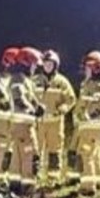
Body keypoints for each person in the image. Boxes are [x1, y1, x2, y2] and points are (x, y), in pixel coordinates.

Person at [71, 51, 100, 196]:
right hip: (93, 124)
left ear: (96, 68)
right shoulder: (91, 83)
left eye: (88, 67)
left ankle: (88, 186)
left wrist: (83, 112)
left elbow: (99, 102)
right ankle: (98, 180)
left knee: (86, 153)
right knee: (95, 153)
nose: (85, 70)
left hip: (91, 124)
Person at [33, 50, 77, 186]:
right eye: (45, 63)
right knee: (36, 149)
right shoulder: (35, 80)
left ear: (55, 65)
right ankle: (35, 176)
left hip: (55, 122)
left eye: (50, 63)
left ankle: (53, 177)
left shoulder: (61, 82)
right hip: (39, 122)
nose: (47, 66)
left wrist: (61, 110)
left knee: (54, 150)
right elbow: (28, 97)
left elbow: (71, 99)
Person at [7, 47, 45, 195]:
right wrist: (33, 110)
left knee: (17, 155)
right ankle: (28, 188)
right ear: (26, 63)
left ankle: (15, 185)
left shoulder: (23, 79)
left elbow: (30, 98)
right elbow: (19, 98)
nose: (36, 68)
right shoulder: (18, 79)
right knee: (30, 154)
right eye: (34, 64)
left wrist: (37, 106)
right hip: (24, 125)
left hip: (19, 125)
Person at [0, 47, 20, 186]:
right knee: (2, 146)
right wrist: (4, 101)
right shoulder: (1, 77)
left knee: (10, 148)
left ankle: (6, 173)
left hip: (13, 118)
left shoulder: (16, 78)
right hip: (3, 118)